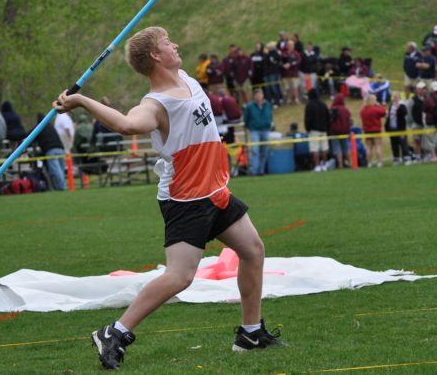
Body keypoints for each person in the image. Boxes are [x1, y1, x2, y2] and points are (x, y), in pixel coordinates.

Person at [53, 26, 282, 370]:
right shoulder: (154, 104)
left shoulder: (187, 79)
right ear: (155, 56)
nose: (175, 45)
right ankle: (114, 333)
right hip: (186, 197)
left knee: (253, 249)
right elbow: (128, 125)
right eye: (167, 43)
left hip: (215, 189)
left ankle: (250, 333)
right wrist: (82, 101)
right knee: (180, 277)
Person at [32, 113, 67, 190]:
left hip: (51, 150)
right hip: (60, 149)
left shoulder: (39, 127)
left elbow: (29, 136)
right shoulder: (51, 127)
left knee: (55, 171)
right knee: (61, 170)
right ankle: (62, 187)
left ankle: (61, 188)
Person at [243, 89, 272, 176]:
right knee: (255, 150)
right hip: (254, 130)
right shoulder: (249, 107)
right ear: (254, 96)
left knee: (264, 151)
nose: (259, 96)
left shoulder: (267, 105)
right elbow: (246, 119)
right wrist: (250, 127)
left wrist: (269, 124)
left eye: (260, 94)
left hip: (265, 130)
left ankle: (261, 171)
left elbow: (270, 116)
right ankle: (254, 171)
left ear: (263, 95)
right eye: (257, 95)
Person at [304, 88, 330, 172]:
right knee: (324, 148)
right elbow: (328, 117)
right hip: (323, 129)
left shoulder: (309, 105)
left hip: (313, 130)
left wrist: (307, 129)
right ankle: (325, 165)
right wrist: (327, 127)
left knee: (314, 149)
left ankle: (317, 166)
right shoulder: (323, 104)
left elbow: (307, 119)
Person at [360, 94, 387, 167]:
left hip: (367, 130)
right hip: (376, 129)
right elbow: (384, 112)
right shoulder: (375, 109)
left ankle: (369, 163)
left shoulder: (363, 110)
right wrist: (378, 105)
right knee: (378, 146)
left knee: (368, 147)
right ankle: (379, 162)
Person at [385, 91, 410, 166]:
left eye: (396, 96)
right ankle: (396, 158)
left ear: (399, 97)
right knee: (394, 143)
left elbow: (405, 113)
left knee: (403, 143)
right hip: (392, 127)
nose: (395, 98)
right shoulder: (391, 105)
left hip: (401, 128)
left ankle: (406, 157)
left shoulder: (402, 105)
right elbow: (389, 116)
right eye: (394, 96)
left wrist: (399, 108)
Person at [328, 94, 352, 169]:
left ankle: (340, 164)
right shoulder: (345, 110)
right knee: (346, 148)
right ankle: (351, 163)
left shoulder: (332, 109)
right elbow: (349, 121)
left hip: (334, 132)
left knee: (337, 148)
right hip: (344, 132)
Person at [263, 42, 283, 107]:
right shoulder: (266, 54)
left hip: (273, 73)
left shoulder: (276, 54)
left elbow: (275, 62)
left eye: (269, 47)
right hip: (266, 73)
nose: (268, 48)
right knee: (267, 88)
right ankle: (269, 102)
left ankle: (277, 102)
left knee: (274, 87)